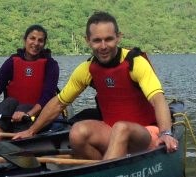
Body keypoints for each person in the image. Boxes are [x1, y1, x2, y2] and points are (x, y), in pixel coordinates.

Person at [13, 11, 178, 160]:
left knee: (121, 128)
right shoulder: (86, 69)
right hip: (112, 132)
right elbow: (59, 103)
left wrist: (166, 133)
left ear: (118, 37)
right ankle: (101, 172)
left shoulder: (135, 62)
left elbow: (157, 98)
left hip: (147, 133)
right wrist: (31, 131)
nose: (103, 46)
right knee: (77, 131)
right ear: (88, 41)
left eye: (109, 39)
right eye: (97, 41)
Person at [0, 24, 61, 141]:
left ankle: (17, 143)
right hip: (11, 114)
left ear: (44, 43)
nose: (36, 43)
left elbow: (47, 96)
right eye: (32, 38)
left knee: (22, 109)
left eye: (40, 40)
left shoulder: (51, 65)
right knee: (8, 102)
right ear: (25, 40)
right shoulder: (12, 61)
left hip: (36, 114)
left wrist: (29, 114)